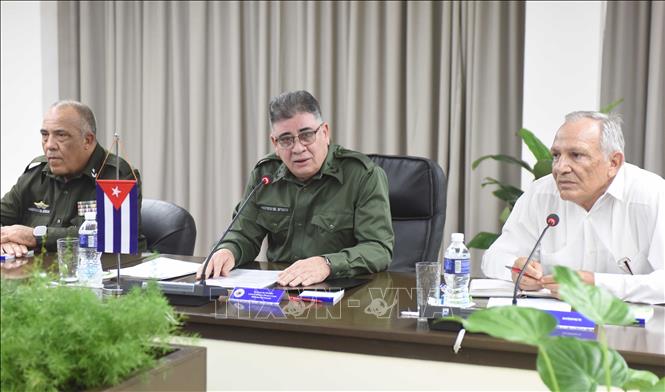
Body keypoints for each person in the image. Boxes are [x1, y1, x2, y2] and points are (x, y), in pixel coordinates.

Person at [197, 90, 394, 286]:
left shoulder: (362, 175)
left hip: (342, 292)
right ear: (275, 143)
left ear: (325, 133)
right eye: (286, 139)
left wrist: (327, 264)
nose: (298, 148)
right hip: (280, 290)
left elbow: (378, 248)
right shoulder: (265, 174)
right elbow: (243, 233)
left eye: (306, 135)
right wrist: (227, 250)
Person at [481, 111, 664, 304]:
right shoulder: (541, 194)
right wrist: (516, 268)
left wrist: (599, 285)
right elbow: (494, 257)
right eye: (556, 155)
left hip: (633, 326)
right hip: (554, 322)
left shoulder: (651, 196)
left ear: (613, 162)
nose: (560, 168)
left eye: (576, 155)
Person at [1, 100, 146, 256]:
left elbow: (113, 237)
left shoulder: (116, 177)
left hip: (99, 275)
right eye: (45, 135)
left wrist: (36, 236)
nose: (49, 145)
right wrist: (5, 241)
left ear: (87, 140)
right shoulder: (35, 175)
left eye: (61, 135)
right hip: (37, 275)